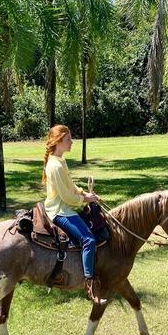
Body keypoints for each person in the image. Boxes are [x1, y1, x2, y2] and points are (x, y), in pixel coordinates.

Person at [43, 124, 106, 305]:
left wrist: (85, 194)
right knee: (89, 239)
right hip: (60, 211)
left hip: (66, 208)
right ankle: (90, 286)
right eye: (69, 139)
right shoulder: (55, 166)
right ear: (59, 141)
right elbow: (66, 197)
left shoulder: (60, 161)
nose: (72, 142)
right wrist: (84, 200)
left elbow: (70, 187)